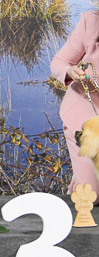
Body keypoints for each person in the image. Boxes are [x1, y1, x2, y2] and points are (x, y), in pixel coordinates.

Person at [50, 11, 99, 202]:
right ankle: (82, 177)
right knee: (91, 197)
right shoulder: (91, 22)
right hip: (85, 113)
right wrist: (69, 71)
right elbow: (59, 62)